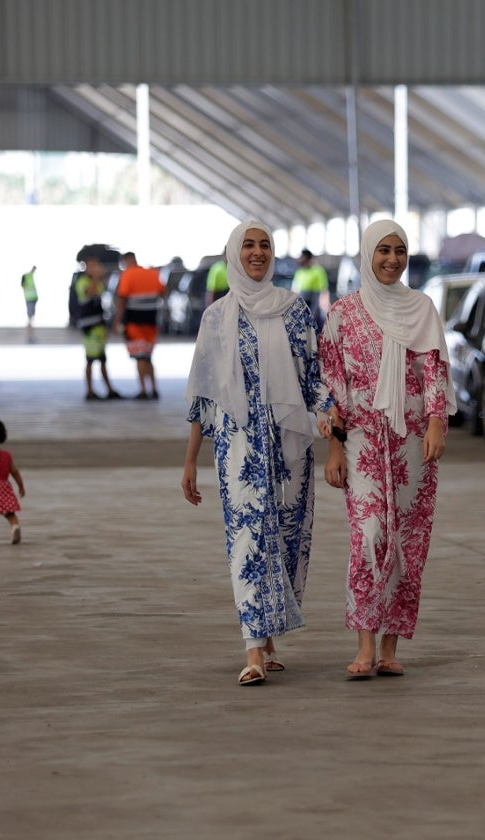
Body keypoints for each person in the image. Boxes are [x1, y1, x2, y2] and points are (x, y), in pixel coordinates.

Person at [181, 219, 335, 687]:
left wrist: (327, 416)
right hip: (238, 446)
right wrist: (189, 459)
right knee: (247, 540)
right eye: (247, 245)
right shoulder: (217, 318)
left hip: (290, 446)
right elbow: (203, 395)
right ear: (233, 252)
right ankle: (252, 647)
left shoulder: (294, 310)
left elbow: (314, 376)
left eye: (264, 245)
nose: (257, 252)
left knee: (288, 537)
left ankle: (269, 635)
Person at [320, 220, 456, 679]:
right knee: (371, 534)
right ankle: (364, 643)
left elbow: (435, 369)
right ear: (367, 254)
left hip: (413, 440)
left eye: (399, 251)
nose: (392, 259)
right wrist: (334, 448)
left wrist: (437, 421)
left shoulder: (422, 309)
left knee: (407, 540)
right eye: (383, 250)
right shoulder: (344, 313)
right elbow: (333, 386)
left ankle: (390, 646)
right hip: (360, 438)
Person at [112, 251, 166, 399]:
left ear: (125, 262)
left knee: (140, 357)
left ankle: (143, 390)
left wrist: (117, 322)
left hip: (134, 323)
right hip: (151, 322)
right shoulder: (152, 273)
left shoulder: (127, 275)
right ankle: (154, 389)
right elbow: (163, 292)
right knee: (148, 357)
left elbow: (122, 300)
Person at [74, 251, 122, 401]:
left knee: (102, 359)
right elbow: (89, 293)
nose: (96, 268)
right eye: (92, 266)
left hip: (99, 325)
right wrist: (95, 277)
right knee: (90, 359)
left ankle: (110, 389)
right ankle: (89, 391)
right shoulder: (82, 281)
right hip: (89, 327)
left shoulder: (99, 282)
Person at [292, 248, 330, 331]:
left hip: (313, 302)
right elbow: (295, 291)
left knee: (314, 326)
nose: (299, 259)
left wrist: (318, 308)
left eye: (302, 257)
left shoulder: (318, 271)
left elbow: (323, 291)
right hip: (302, 302)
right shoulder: (299, 272)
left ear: (307, 258)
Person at [20, 265, 38, 343]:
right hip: (29, 299)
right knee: (30, 318)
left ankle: (31, 335)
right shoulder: (26, 276)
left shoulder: (30, 277)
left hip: (33, 299)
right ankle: (29, 336)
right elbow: (23, 285)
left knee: (31, 318)